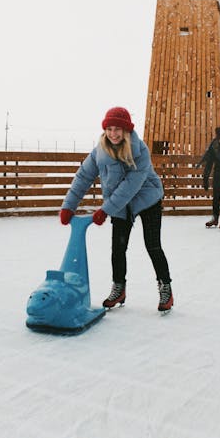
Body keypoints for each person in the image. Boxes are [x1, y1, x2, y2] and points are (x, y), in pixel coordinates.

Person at [59, 106, 173, 311]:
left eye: (118, 129)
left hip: (147, 199)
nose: (113, 133)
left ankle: (165, 287)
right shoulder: (99, 152)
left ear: (126, 131)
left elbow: (131, 186)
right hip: (119, 204)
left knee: (153, 245)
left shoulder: (140, 151)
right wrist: (69, 206)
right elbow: (83, 177)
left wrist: (106, 210)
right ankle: (119, 287)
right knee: (118, 248)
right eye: (109, 129)